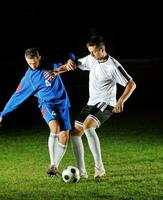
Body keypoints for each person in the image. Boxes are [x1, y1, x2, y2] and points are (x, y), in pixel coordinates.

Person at [45, 35, 136, 179]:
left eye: (94, 51)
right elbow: (73, 65)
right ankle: (82, 172)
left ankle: (99, 168)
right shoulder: (91, 59)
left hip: (106, 103)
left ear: (102, 50)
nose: (91, 55)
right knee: (75, 134)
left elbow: (131, 83)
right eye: (90, 52)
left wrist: (120, 101)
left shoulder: (113, 66)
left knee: (88, 126)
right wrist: (57, 72)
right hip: (91, 103)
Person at [0, 48, 75, 177]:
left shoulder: (51, 62)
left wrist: (70, 60)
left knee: (64, 137)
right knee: (55, 126)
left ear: (39, 57)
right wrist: (2, 113)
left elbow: (68, 54)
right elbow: (16, 96)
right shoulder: (29, 78)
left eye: (35, 62)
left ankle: (54, 168)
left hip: (62, 103)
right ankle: (52, 164)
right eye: (29, 64)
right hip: (47, 104)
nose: (33, 66)